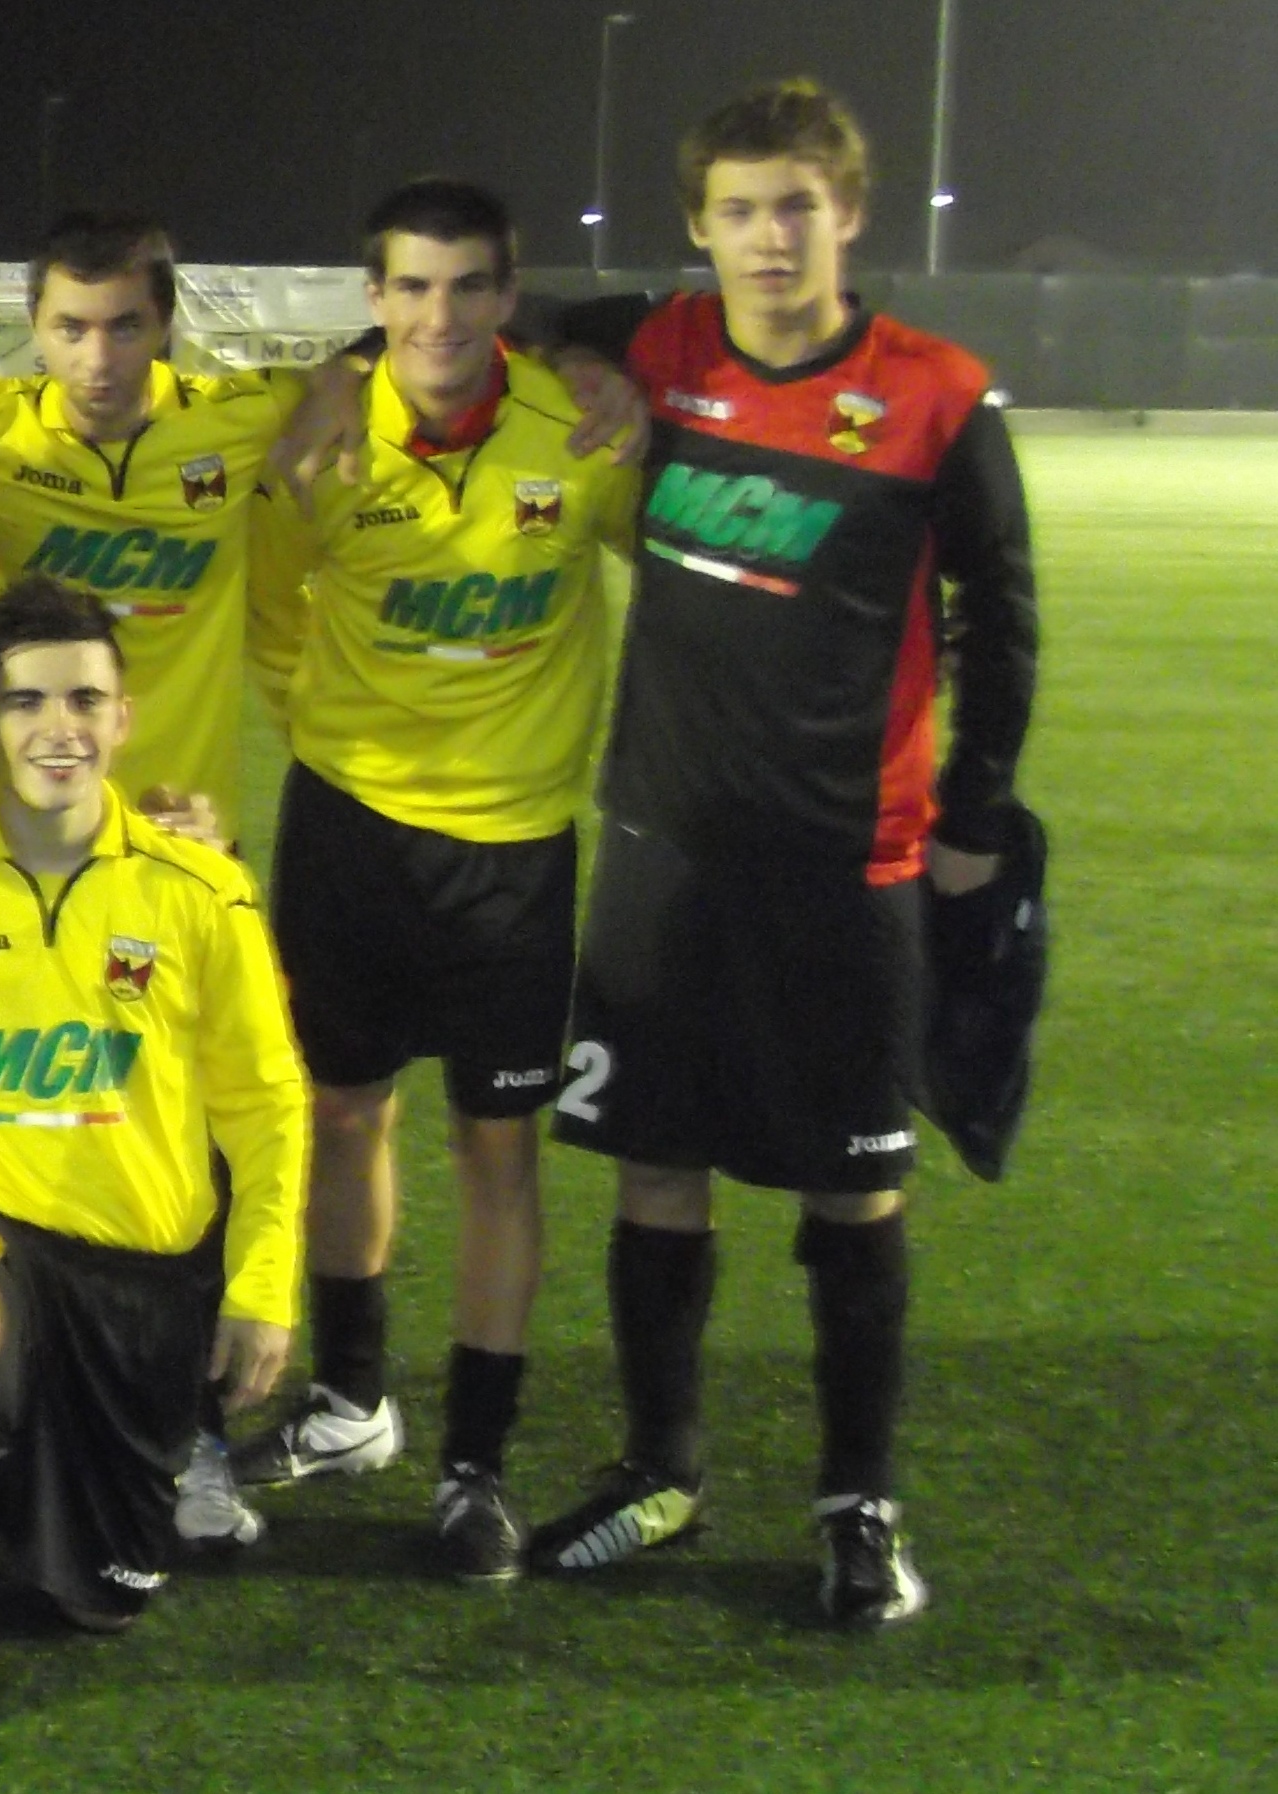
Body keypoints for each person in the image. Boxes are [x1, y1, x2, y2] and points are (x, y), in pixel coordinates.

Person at [519, 79, 1038, 1629]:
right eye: (737, 209)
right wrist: (563, 358)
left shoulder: (936, 394)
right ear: (696, 226)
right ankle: (658, 1470)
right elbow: (525, 314)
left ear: (849, 213)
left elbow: (1001, 618)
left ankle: (855, 1500)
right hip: (664, 846)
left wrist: (971, 819)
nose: (767, 237)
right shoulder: (666, 346)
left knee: (851, 1189)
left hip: (844, 865)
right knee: (653, 1165)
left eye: (796, 205)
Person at [225, 180, 636, 1583]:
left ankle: (475, 1468)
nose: (437, 315)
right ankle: (349, 1402)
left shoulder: (576, 430)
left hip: (512, 850)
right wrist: (332, 733)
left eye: (466, 286)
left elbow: (680, 550)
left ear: (508, 297)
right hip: (347, 832)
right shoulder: (324, 438)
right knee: (342, 1111)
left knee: (496, 1147)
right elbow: (271, 607)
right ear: (374, 299)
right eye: (409, 287)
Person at [0, 574, 310, 1730]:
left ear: (123, 717)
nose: (57, 729)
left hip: (140, 1275)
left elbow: (265, 1103)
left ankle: (12, 1451)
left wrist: (260, 1285)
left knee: (104, 1603)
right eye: (25, 702)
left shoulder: (201, 890)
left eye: (84, 700)